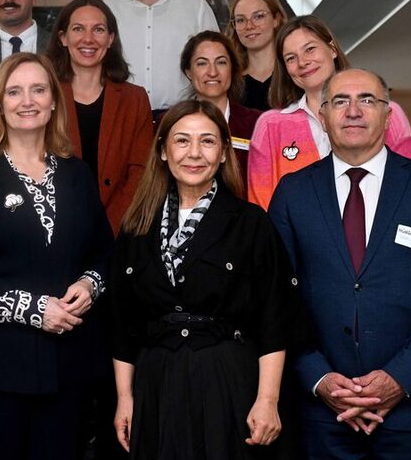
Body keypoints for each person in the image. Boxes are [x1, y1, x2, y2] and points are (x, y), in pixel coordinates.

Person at [267, 68, 411, 459]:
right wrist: (320, 378)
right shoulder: (293, 192)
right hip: (323, 413)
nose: (353, 111)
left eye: (367, 100)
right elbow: (277, 297)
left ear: (388, 114)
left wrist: (399, 378)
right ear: (323, 116)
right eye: (340, 101)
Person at [0, 53, 114, 460]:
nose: (27, 100)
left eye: (38, 89)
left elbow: (104, 252)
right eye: (14, 91)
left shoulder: (76, 174)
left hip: (65, 367)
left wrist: (91, 283)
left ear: (54, 102)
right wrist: (35, 310)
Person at [110, 99, 303, 460]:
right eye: (182, 141)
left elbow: (275, 318)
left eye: (208, 141)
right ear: (164, 151)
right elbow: (122, 322)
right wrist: (125, 398)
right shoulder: (136, 227)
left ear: (225, 152)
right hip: (156, 382)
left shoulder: (251, 224)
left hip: (228, 379)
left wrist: (268, 399)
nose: (194, 153)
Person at [248, 15, 411, 210]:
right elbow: (263, 210)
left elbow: (408, 191)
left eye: (310, 49)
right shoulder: (271, 126)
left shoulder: (388, 114)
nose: (302, 62)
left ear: (333, 49)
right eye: (291, 58)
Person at [47, 0, 154, 234]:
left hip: (119, 231)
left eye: (98, 29)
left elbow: (141, 172)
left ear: (110, 39)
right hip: (56, 230)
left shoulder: (135, 99)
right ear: (63, 38)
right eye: (78, 29)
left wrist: (108, 228)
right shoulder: (44, 96)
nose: (88, 39)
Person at [106, 0, 219, 114]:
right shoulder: (109, 9)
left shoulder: (196, 6)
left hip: (181, 116)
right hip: (123, 115)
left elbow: (214, 63)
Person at [180, 30, 261, 180]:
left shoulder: (256, 123)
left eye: (221, 62)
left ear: (233, 69)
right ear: (189, 72)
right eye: (202, 63)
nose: (212, 72)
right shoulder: (172, 122)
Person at [225, 0, 289, 112]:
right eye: (240, 20)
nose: (249, 26)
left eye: (258, 16)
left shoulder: (294, 72)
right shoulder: (230, 81)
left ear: (276, 19)